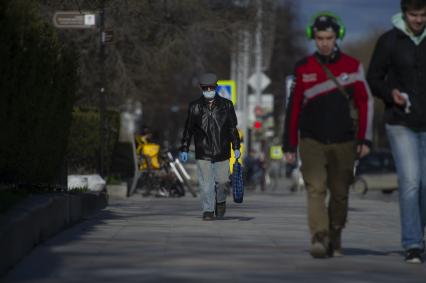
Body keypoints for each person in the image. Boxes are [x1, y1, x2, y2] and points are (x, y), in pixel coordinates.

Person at [283, 12, 374, 258]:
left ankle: (335, 232)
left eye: (329, 38)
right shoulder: (303, 68)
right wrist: (289, 143)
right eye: (320, 38)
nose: (324, 43)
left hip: (344, 141)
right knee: (316, 188)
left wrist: (365, 139)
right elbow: (293, 109)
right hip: (311, 141)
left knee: (340, 194)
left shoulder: (352, 67)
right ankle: (319, 237)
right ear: (314, 38)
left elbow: (365, 103)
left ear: (337, 37)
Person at [367, 0, 426, 264]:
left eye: (423, 15)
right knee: (411, 182)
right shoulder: (389, 41)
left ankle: (420, 236)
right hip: (400, 121)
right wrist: (389, 93)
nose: (419, 20)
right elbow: (373, 78)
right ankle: (413, 243)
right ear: (404, 14)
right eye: (414, 15)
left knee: (425, 185)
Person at [179, 73, 240, 220]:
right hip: (203, 150)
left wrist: (236, 147)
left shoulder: (226, 105)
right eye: (205, 88)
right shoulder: (195, 107)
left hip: (223, 150)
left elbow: (232, 128)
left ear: (216, 87)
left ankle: (220, 201)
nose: (208, 90)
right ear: (201, 88)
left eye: (211, 88)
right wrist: (184, 148)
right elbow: (188, 129)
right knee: (206, 183)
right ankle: (207, 210)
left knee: (223, 182)